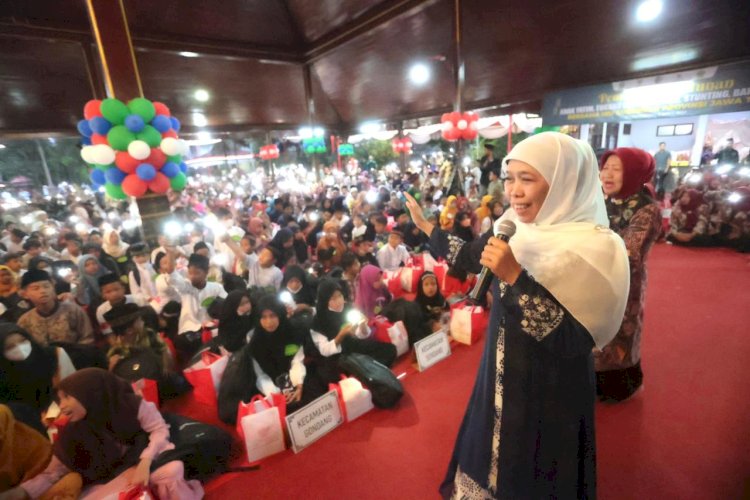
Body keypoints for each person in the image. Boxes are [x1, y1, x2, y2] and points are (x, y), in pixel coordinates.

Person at [404, 131, 629, 499]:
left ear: (562, 182)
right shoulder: (512, 225)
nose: (514, 191)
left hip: (550, 389)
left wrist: (515, 278)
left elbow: (575, 341)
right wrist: (428, 227)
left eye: (528, 179)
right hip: (499, 370)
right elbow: (470, 256)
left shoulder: (595, 247)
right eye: (510, 179)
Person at [6, 368, 203, 499]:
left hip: (146, 461)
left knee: (170, 472)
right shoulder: (73, 432)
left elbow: (158, 430)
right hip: (110, 477)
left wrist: (145, 461)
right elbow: (53, 472)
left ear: (90, 393)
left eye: (67, 397)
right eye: (60, 399)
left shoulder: (130, 406)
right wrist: (21, 493)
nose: (62, 406)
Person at [597, 148, 662, 402]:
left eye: (617, 169)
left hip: (626, 283)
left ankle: (620, 386)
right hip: (595, 278)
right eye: (605, 168)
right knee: (597, 328)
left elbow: (628, 250)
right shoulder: (602, 202)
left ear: (635, 173)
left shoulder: (648, 209)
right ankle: (594, 381)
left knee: (622, 330)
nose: (607, 174)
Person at [309, 279, 397, 383]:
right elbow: (324, 350)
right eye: (332, 298)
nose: (338, 300)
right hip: (337, 357)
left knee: (390, 350)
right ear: (324, 300)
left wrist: (363, 325)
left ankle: (369, 373)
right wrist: (340, 336)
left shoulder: (347, 308)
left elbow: (362, 335)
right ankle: (368, 373)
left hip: (353, 346)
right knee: (337, 375)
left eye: (339, 295)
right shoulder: (317, 322)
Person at [250, 295, 324, 412]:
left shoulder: (292, 333)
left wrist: (298, 385)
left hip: (292, 376)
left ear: (280, 315)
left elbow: (296, 361)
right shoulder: (255, 343)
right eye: (263, 317)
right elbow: (261, 375)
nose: (268, 322)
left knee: (314, 395)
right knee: (286, 409)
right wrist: (278, 395)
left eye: (273, 316)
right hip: (271, 385)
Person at [17, 270, 93, 346]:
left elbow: (87, 339)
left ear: (53, 287)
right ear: (25, 294)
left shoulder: (73, 310)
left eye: (46, 286)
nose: (43, 291)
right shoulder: (24, 322)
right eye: (36, 288)